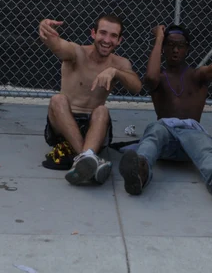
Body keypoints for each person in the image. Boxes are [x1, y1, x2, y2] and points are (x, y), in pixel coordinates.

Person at [119, 24, 212, 203]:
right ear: (163, 48)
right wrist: (158, 38)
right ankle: (140, 172)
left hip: (191, 142)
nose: (175, 50)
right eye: (170, 45)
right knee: (154, 133)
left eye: (180, 46)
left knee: (205, 146)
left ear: (187, 49)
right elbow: (150, 77)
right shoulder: (159, 78)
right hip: (164, 142)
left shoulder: (197, 76)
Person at [39, 15, 142, 185]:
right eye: (103, 33)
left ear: (119, 40)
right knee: (58, 100)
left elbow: (136, 87)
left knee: (102, 110)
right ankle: (87, 157)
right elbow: (56, 45)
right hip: (63, 125)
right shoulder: (76, 52)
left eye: (113, 36)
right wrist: (44, 27)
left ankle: (85, 161)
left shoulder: (120, 63)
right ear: (93, 34)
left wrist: (114, 72)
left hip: (94, 130)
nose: (107, 40)